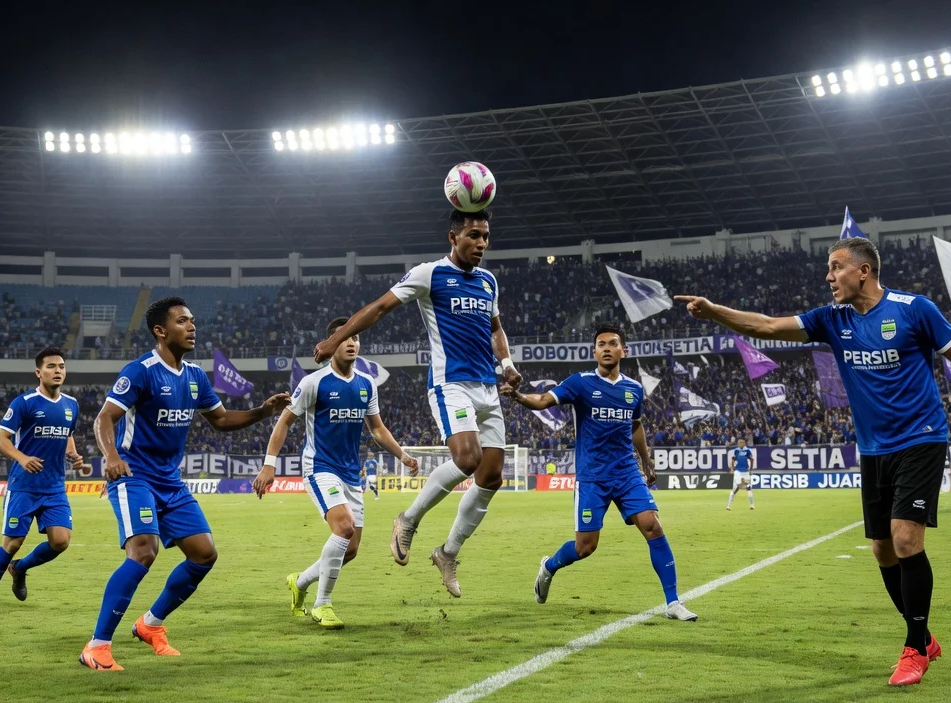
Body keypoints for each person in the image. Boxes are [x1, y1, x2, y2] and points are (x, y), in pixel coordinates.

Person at [676, 236, 951, 686]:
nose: (828, 277)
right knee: (882, 549)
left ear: (863, 271)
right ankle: (923, 636)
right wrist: (714, 311)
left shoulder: (914, 308)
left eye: (836, 267)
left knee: (905, 540)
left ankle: (913, 648)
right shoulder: (832, 319)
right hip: (873, 449)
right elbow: (766, 327)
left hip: (922, 439)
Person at [314, 208, 522, 598]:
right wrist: (333, 340)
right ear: (453, 237)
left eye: (486, 237)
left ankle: (448, 552)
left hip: (488, 388)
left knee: (491, 477)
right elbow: (378, 308)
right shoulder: (429, 274)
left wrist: (507, 365)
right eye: (474, 235)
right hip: (451, 384)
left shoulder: (489, 281)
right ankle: (407, 520)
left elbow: (496, 328)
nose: (481, 244)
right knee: (467, 459)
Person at [78, 297, 290, 672]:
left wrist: (262, 411)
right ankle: (97, 646)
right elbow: (104, 418)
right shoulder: (140, 371)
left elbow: (221, 420)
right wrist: (111, 456)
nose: (192, 326)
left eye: (192, 320)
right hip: (134, 477)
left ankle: (150, 624)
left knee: (204, 554)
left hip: (170, 482)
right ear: (161, 331)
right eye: (182, 321)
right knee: (144, 551)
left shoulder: (194, 377)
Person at [505, 323, 697, 621]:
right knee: (585, 547)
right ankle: (549, 566)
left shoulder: (633, 389)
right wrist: (518, 397)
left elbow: (635, 426)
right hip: (592, 476)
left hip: (626, 473)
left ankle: (673, 602)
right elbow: (543, 400)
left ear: (624, 350)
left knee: (653, 525)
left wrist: (646, 462)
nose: (607, 348)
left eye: (613, 343)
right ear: (594, 351)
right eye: (601, 344)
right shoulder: (580, 383)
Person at [254, 317, 419, 629]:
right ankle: (322, 604)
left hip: (350, 473)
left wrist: (403, 454)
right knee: (342, 529)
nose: (352, 343)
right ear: (332, 346)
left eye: (356, 338)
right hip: (319, 467)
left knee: (351, 549)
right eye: (345, 339)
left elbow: (378, 429)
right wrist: (269, 463)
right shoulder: (313, 383)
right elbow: (285, 422)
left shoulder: (366, 385)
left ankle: (299, 582)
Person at [0, 347, 83, 614]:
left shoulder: (72, 405)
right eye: (51, 367)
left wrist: (73, 453)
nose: (57, 370)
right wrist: (22, 458)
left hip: (55, 487)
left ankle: (20, 567)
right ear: (38, 372)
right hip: (24, 486)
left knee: (60, 541)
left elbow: (68, 433)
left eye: (61, 366)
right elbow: (0, 439)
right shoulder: (24, 403)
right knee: (12, 543)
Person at [726, 438, 755, 511]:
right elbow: (733, 460)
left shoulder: (748, 450)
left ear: (744, 443)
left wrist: (751, 469)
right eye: (739, 443)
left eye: (741, 443)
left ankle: (751, 505)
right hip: (738, 472)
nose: (740, 444)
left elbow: (751, 460)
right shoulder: (736, 450)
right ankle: (728, 506)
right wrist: (732, 469)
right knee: (735, 489)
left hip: (745, 472)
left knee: (749, 488)